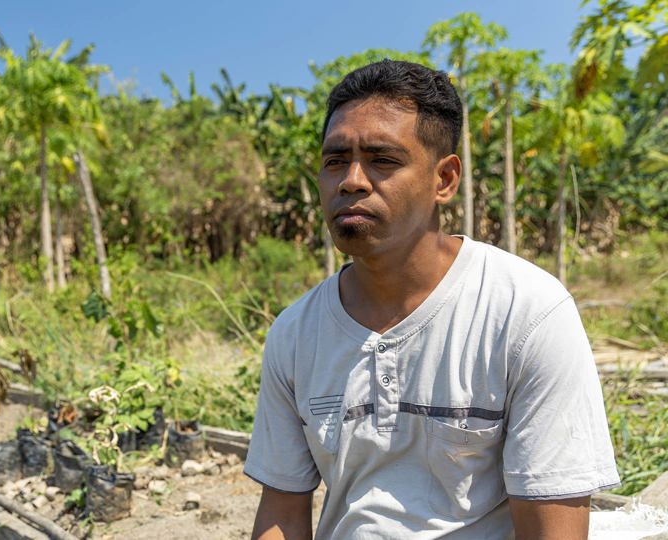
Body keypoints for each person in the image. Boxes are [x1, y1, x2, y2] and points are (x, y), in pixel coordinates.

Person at [244, 59, 620, 540]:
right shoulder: (296, 333)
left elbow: (553, 528)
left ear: (444, 180)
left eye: (383, 160)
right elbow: (281, 509)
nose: (351, 180)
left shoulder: (526, 312)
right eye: (334, 161)